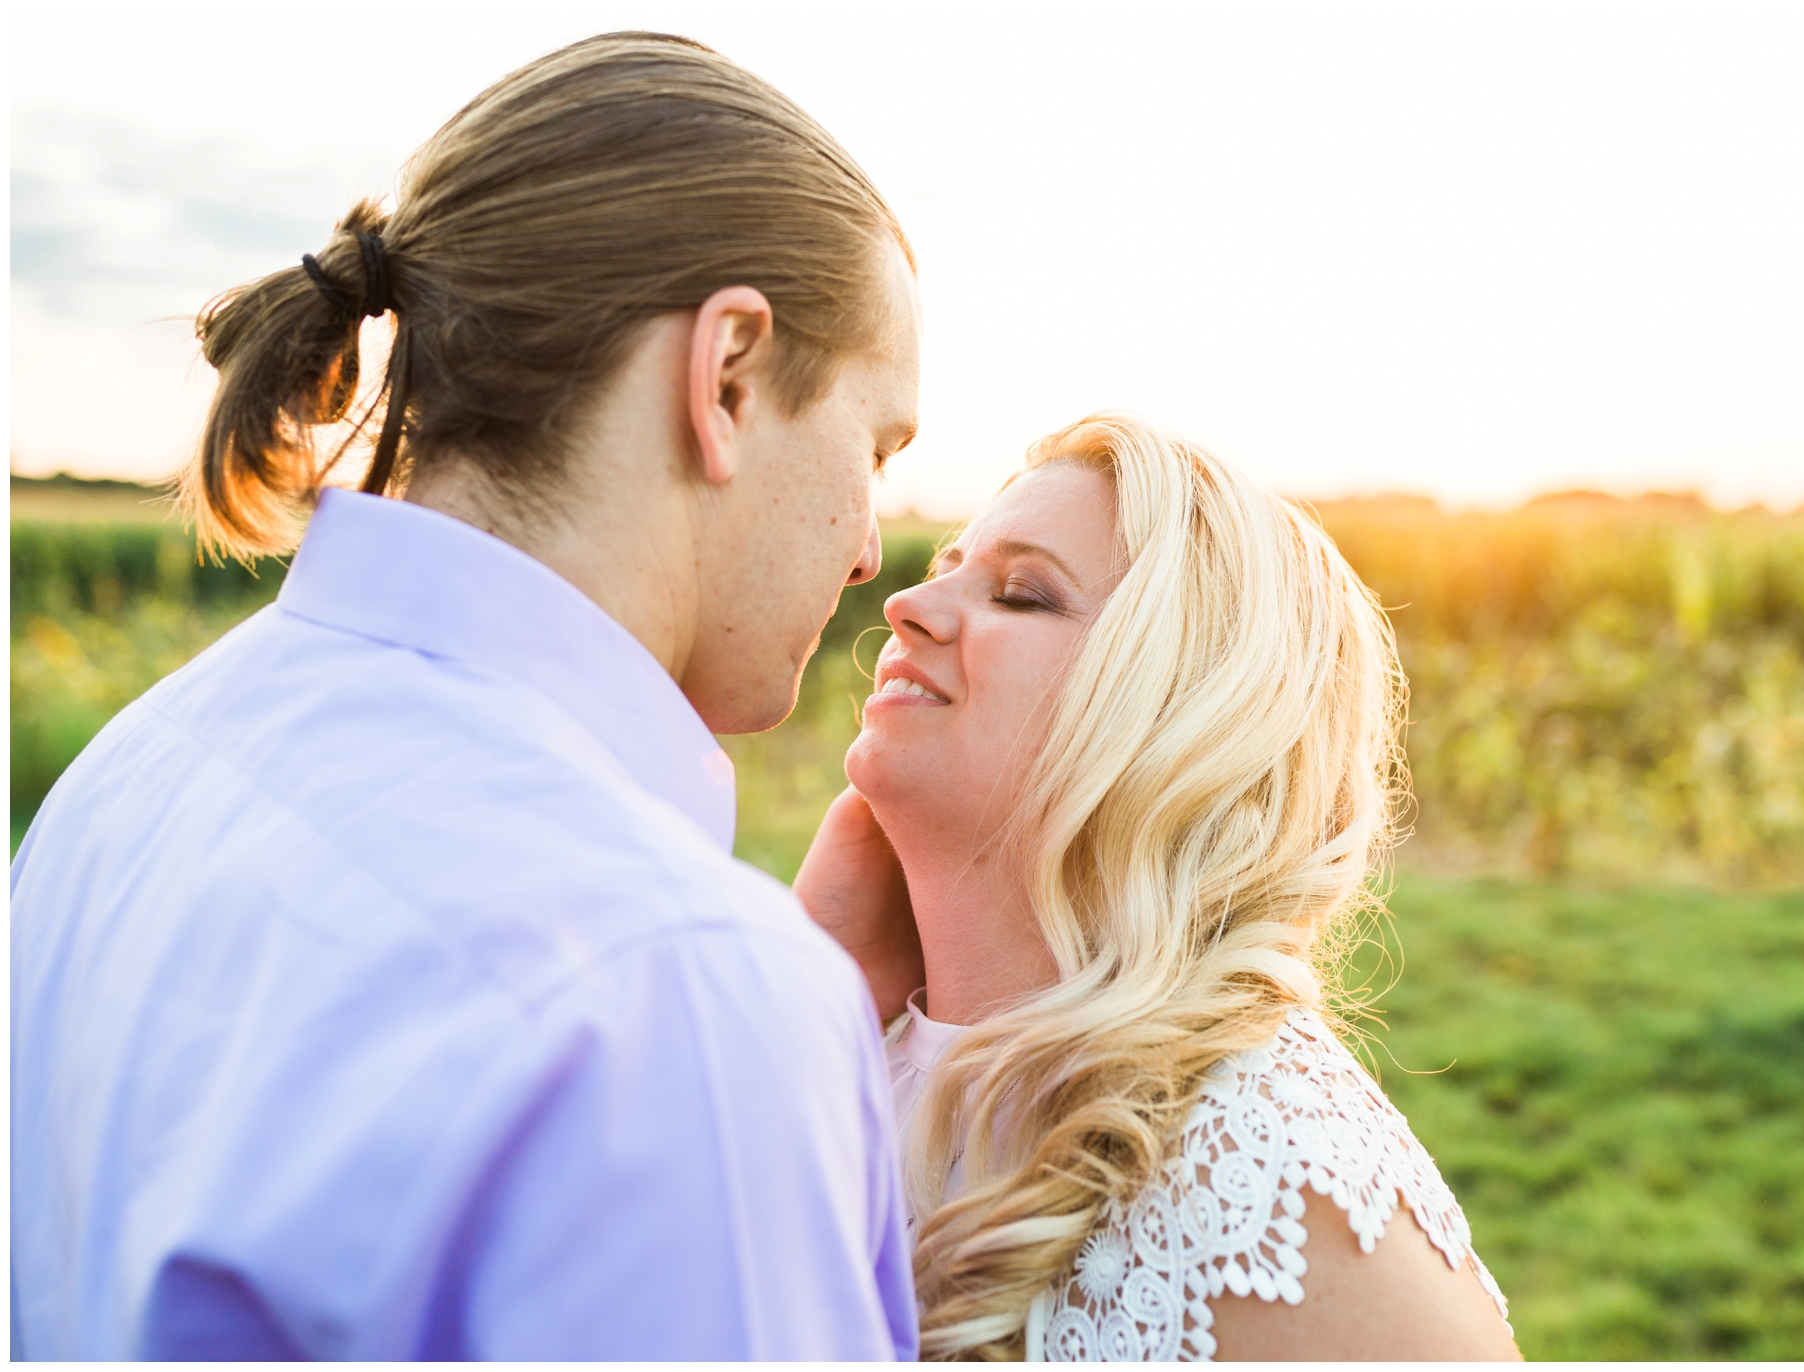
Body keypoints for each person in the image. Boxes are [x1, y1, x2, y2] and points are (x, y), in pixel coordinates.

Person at [11, 33, 922, 1360]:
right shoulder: (677, 1003)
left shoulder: (132, 773)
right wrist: (759, 1023)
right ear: (725, 376)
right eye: (877, 446)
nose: (867, 547)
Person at [793, 414, 1522, 1360]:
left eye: (1020, 593)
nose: (907, 605)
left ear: (1186, 712)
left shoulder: (1275, 1188)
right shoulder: (834, 1044)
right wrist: (809, 979)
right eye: (946, 568)